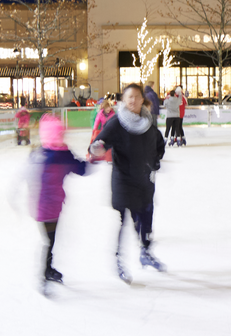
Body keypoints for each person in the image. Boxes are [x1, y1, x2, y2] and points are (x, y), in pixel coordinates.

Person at [89, 83, 166, 283]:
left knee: (146, 220)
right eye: (128, 97)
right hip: (123, 180)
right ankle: (119, 261)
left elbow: (159, 142)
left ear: (143, 100)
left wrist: (157, 158)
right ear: (123, 100)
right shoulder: (116, 123)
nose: (132, 100)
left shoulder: (148, 122)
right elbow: (101, 142)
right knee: (123, 222)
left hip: (144, 180)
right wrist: (97, 148)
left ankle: (145, 252)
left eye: (136, 97)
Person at [33, 113, 90, 295]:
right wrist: (93, 156)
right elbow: (82, 169)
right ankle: (45, 273)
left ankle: (48, 270)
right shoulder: (62, 154)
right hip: (51, 206)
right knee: (50, 241)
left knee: (50, 240)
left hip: (42, 206)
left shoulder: (39, 153)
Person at [90, 95, 116, 161]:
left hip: (111, 132)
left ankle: (110, 158)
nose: (109, 109)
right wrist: (94, 131)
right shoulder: (100, 114)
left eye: (109, 107)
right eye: (107, 108)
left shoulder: (113, 114)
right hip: (103, 131)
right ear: (104, 108)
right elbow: (96, 123)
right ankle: (96, 155)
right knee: (99, 142)